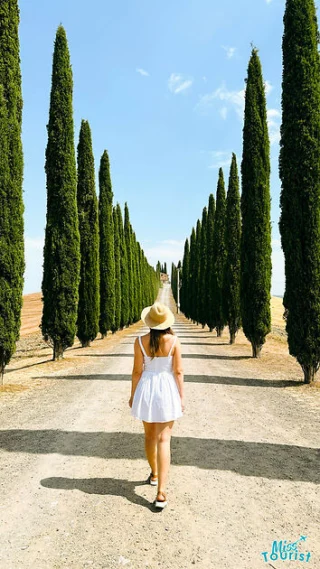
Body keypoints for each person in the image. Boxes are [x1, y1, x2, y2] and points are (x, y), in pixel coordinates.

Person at [129, 301, 184, 509]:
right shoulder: (174, 341)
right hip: (167, 389)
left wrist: (133, 395)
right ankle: (161, 492)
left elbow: (137, 371)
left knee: (150, 436)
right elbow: (178, 372)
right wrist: (181, 396)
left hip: (147, 388)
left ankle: (153, 473)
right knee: (164, 440)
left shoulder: (140, 341)